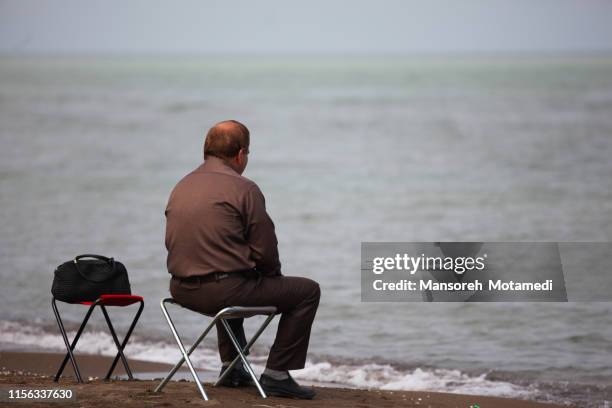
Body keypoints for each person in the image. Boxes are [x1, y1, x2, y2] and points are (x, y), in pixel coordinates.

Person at [164, 120, 320, 399]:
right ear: (240, 154)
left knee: (233, 276)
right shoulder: (244, 188)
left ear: (206, 150)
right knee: (307, 292)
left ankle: (232, 367)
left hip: (181, 289)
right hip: (222, 294)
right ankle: (276, 374)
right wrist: (272, 277)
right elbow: (266, 250)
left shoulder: (181, 185)